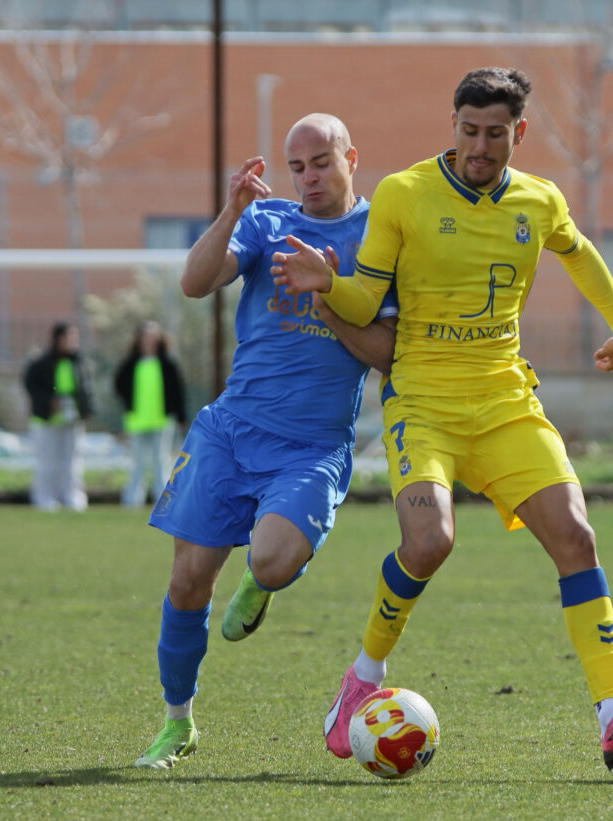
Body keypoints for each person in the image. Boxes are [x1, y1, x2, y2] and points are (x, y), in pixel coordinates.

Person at [271, 67, 613, 773]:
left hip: (504, 402)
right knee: (430, 542)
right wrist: (328, 283)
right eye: (468, 131)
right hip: (423, 403)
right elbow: (366, 299)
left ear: (519, 133)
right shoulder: (405, 193)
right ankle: (362, 678)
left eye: (495, 134)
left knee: (577, 537)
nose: (480, 147)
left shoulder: (538, 200)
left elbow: (578, 252)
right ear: (452, 125)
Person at [134, 113, 398, 769]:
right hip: (230, 432)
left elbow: (388, 354)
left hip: (311, 447)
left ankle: (259, 580)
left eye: (321, 163)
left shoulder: (381, 235)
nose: (309, 178)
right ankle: (177, 723)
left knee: (273, 561)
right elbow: (194, 283)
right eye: (297, 167)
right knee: (188, 583)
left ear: (351, 158)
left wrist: (327, 295)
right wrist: (231, 210)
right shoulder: (265, 221)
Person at [113, 320, 187, 507]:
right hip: (136, 420)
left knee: (160, 460)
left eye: (153, 337)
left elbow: (177, 392)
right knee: (137, 463)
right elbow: (119, 385)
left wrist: (180, 416)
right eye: (145, 337)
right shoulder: (131, 364)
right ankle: (132, 501)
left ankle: (162, 501)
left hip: (161, 420)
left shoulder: (167, 364)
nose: (149, 341)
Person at [22, 321, 93, 512]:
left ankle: (72, 497)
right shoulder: (41, 363)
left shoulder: (77, 362)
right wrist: (49, 401)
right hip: (46, 420)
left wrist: (85, 409)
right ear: (58, 339)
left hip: (71, 420)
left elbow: (84, 388)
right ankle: (44, 497)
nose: (72, 341)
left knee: (72, 460)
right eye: (69, 337)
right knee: (47, 461)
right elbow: (31, 386)